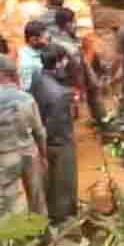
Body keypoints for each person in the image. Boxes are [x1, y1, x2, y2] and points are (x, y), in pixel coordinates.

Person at [0, 54, 49, 217]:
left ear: (0, 74)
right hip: (30, 154)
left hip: (5, 159)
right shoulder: (28, 98)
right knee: (37, 202)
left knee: (7, 208)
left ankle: (13, 241)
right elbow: (40, 132)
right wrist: (43, 156)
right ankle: (44, 238)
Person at [30, 45, 78, 224]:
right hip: (59, 141)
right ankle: (62, 218)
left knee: (48, 181)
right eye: (64, 60)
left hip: (40, 136)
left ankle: (48, 213)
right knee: (64, 181)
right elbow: (59, 123)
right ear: (58, 63)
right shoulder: (62, 94)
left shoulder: (37, 77)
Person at [17, 20, 48, 92]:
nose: (47, 40)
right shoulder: (27, 64)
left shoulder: (38, 50)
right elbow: (26, 90)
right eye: (44, 38)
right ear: (33, 40)